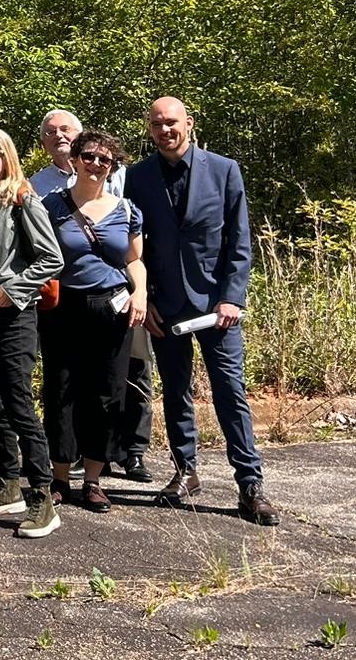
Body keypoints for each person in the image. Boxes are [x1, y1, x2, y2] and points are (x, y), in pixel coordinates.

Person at [126, 98, 278, 526]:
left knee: (230, 393)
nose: (164, 130)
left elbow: (238, 241)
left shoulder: (224, 169)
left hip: (217, 307)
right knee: (175, 394)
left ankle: (250, 485)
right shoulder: (138, 176)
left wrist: (233, 297)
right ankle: (186, 472)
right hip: (166, 307)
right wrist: (146, 297)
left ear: (189, 123)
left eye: (171, 122)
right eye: (156, 124)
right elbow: (134, 245)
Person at [30, 109, 153, 483]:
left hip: (111, 307)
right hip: (62, 306)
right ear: (76, 159)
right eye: (89, 157)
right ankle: (61, 476)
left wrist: (141, 294)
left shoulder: (127, 210)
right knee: (61, 388)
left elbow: (134, 260)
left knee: (108, 391)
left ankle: (95, 478)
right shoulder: (50, 205)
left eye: (105, 159)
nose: (96, 164)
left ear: (113, 167)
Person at [0, 128, 64, 539]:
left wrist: (13, 288)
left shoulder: (22, 199)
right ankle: (7, 482)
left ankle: (42, 495)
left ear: (7, 157)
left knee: (18, 399)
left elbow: (51, 258)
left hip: (15, 313)